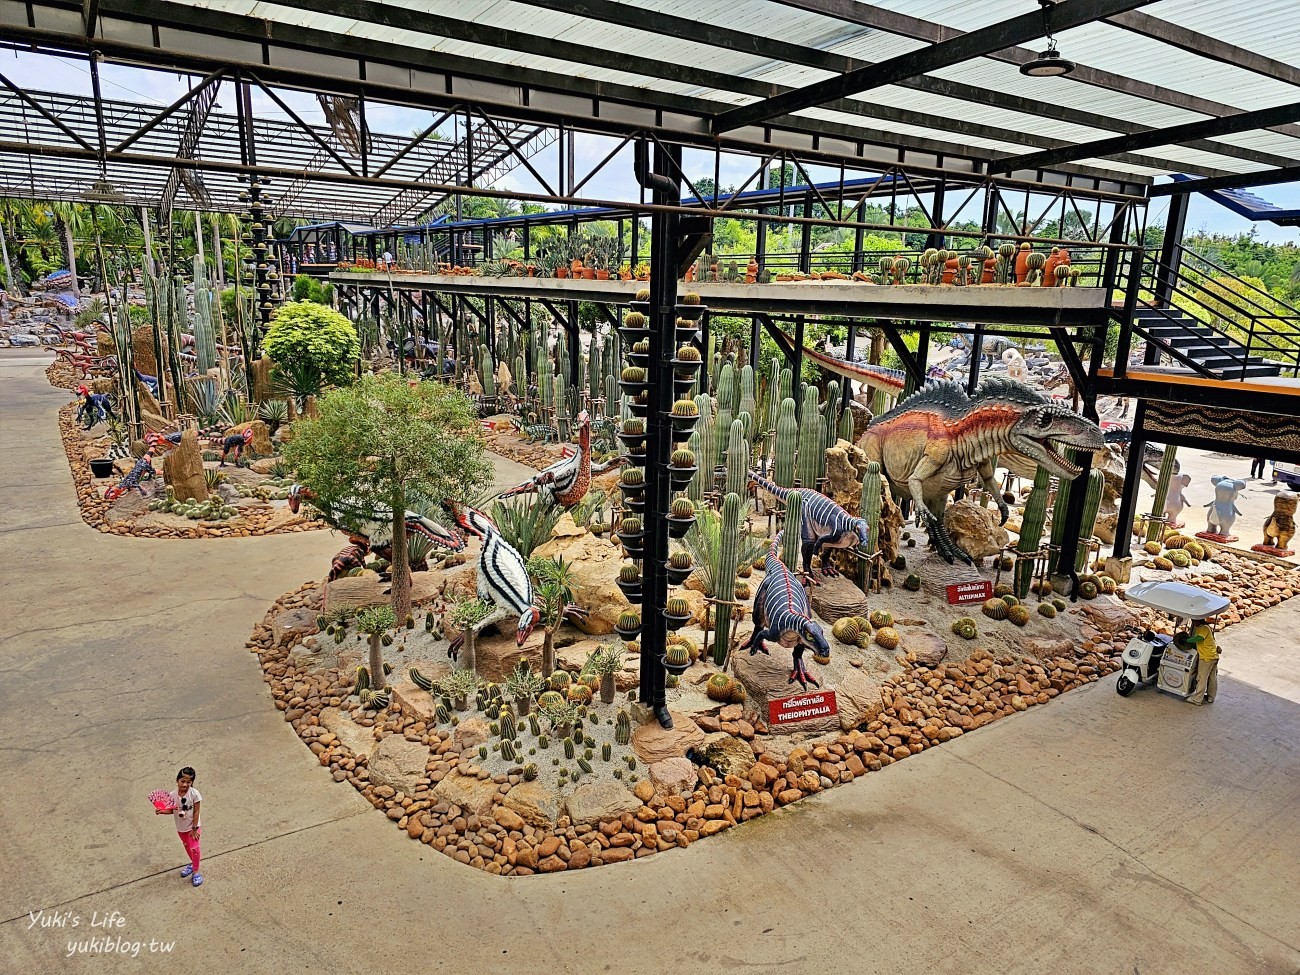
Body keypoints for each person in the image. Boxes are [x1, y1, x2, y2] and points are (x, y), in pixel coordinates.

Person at [156, 766, 203, 886]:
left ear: (192, 782)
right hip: (181, 828)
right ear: (177, 780)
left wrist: (194, 828)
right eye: (183, 781)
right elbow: (172, 810)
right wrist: (161, 811)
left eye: (189, 782)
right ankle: (193, 864)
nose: (185, 784)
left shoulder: (194, 794)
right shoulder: (172, 795)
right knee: (187, 846)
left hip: (193, 827)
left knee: (194, 848)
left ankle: (196, 871)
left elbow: (197, 811)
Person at [1184, 619, 1220, 706]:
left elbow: (1199, 638)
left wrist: (1186, 640)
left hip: (1206, 657)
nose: (1193, 623)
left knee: (1201, 678)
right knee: (1212, 678)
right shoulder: (1207, 628)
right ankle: (1211, 697)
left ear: (1199, 621)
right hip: (1213, 656)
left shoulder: (1203, 628)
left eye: (1194, 621)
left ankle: (1197, 699)